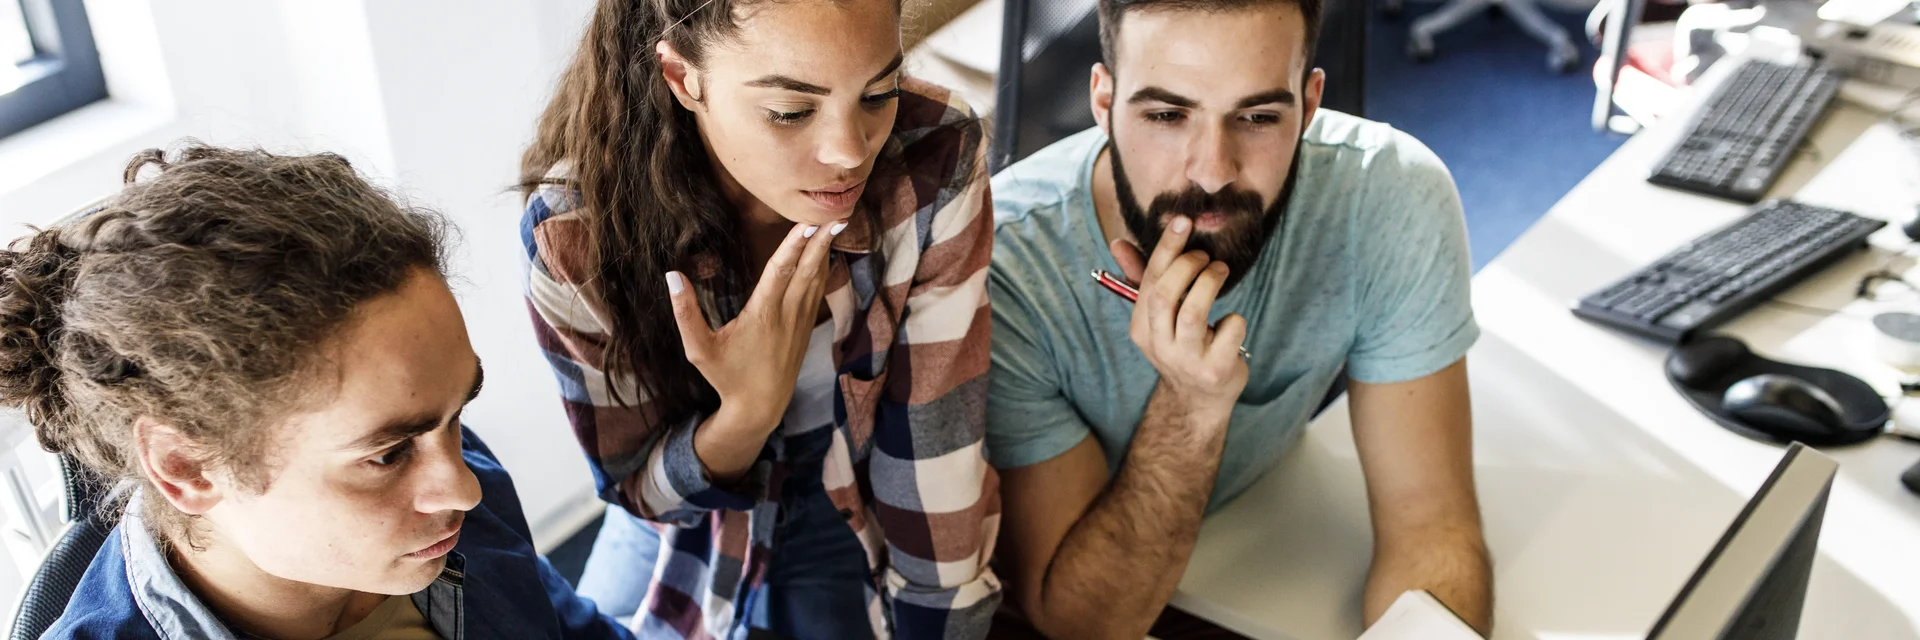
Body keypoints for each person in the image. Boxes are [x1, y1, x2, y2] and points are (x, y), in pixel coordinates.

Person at [984, 0, 1493, 637]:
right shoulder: (1000, 267)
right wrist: (1190, 406)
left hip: (1265, 546)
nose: (1212, 172)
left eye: (1256, 117)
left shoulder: (1391, 195)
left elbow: (1430, 524)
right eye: (1167, 115)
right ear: (1103, 100)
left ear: (1309, 105)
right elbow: (1084, 623)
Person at [0, 145, 632, 640]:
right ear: (187, 467)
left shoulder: (453, 494)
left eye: (456, 416)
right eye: (387, 456)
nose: (466, 487)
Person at [516, 0, 1000, 637]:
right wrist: (746, 414)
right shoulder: (575, 233)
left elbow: (935, 453)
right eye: (791, 112)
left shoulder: (936, 150)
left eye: (878, 93)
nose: (849, 153)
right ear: (683, 78)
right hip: (684, 519)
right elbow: (644, 491)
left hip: (850, 489)